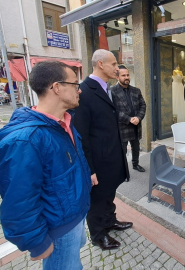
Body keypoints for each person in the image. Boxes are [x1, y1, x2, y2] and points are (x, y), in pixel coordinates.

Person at [0, 61, 92, 269]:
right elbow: (19, 200)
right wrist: (37, 242)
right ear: (57, 87)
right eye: (75, 84)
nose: (79, 89)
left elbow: (65, 164)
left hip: (74, 215)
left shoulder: (64, 122)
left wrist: (85, 177)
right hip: (58, 228)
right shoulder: (26, 140)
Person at [73, 49, 132, 251]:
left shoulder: (108, 88)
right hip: (97, 161)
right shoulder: (84, 91)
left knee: (109, 194)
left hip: (112, 157)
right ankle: (98, 235)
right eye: (114, 64)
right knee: (97, 199)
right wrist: (89, 169)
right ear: (100, 64)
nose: (117, 68)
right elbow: (82, 135)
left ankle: (109, 221)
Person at [111, 65, 146, 172]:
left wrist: (139, 118)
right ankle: (124, 170)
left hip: (136, 125)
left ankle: (135, 164)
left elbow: (143, 105)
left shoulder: (136, 90)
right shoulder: (112, 92)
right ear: (117, 77)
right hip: (122, 127)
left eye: (128, 75)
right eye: (123, 75)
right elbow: (113, 110)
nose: (126, 77)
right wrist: (129, 119)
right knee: (123, 150)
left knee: (136, 148)